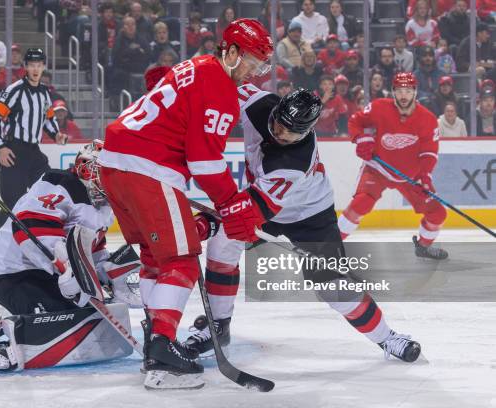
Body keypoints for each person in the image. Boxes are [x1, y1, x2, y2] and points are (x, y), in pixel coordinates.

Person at [183, 85, 423, 366]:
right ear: (276, 109)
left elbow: (248, 213)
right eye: (278, 124)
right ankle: (218, 327)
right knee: (223, 244)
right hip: (265, 202)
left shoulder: (292, 161)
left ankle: (388, 337)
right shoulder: (256, 103)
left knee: (332, 286)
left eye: (292, 133)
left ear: (307, 131)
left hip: (310, 216)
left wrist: (203, 225)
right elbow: (215, 83)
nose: (281, 134)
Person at [98, 18, 273, 390]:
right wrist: (232, 204)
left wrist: (227, 204)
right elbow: (205, 162)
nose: (253, 73)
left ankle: (153, 343)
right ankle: (163, 350)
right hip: (149, 167)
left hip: (115, 163)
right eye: (251, 63)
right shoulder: (220, 87)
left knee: (153, 257)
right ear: (230, 51)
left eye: (260, 67)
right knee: (181, 260)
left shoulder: (194, 67)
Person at [0, 142, 142, 371]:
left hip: (49, 275)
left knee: (83, 318)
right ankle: (5, 339)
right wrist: (66, 267)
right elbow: (32, 224)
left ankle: (21, 319)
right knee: (50, 319)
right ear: (85, 168)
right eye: (103, 172)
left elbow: (93, 250)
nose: (108, 179)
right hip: (13, 273)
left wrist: (108, 273)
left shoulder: (103, 206)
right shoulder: (59, 182)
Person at [337, 72, 448, 259]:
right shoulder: (379, 107)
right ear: (393, 92)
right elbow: (355, 121)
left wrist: (425, 176)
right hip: (378, 168)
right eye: (399, 91)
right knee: (362, 202)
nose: (403, 95)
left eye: (408, 91)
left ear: (415, 92)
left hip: (410, 176)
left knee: (437, 214)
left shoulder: (427, 119)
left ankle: (423, 246)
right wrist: (361, 138)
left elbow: (429, 152)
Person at [0, 48, 68, 255]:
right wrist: (1, 146)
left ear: (43, 66)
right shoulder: (15, 90)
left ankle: (50, 239)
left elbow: (47, 118)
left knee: (50, 190)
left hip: (34, 153)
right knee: (13, 204)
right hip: (14, 151)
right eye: (32, 65)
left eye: (39, 64)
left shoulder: (44, 92)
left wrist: (56, 134)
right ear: (25, 67)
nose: (35, 69)